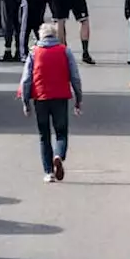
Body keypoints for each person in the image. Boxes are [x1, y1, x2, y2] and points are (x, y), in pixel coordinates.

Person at [19, 23, 84, 183]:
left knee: (44, 135)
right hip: (60, 97)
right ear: (55, 36)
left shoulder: (34, 53)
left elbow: (26, 79)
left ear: (41, 36)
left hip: (40, 99)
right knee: (61, 133)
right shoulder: (65, 51)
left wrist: (25, 101)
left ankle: (48, 172)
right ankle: (58, 155)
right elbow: (74, 76)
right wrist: (78, 98)